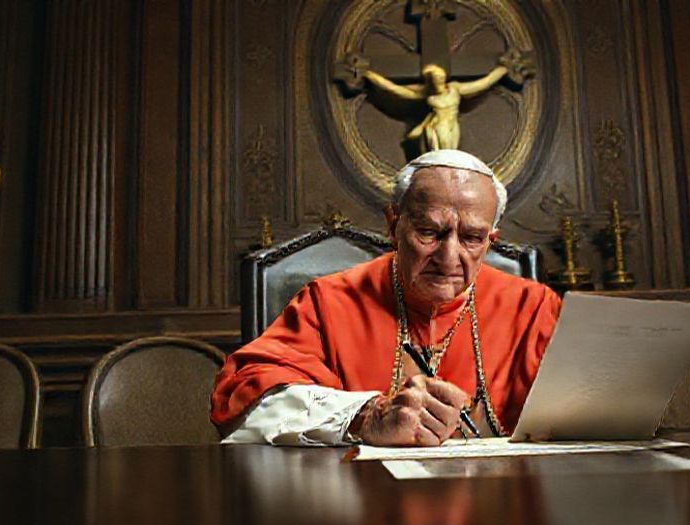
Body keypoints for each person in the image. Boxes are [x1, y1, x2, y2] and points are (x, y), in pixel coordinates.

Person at [211, 149, 561, 446]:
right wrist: (366, 417)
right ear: (393, 225)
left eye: (471, 238)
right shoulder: (328, 302)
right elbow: (245, 399)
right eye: (429, 232)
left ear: (491, 238)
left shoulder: (534, 308)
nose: (449, 256)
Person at [363, 64, 509, 152]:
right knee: (442, 156)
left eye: (440, 79)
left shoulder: (455, 89)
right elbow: (395, 89)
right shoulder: (426, 93)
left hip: (452, 125)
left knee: (451, 156)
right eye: (435, 80)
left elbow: (484, 82)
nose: (438, 82)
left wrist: (502, 71)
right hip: (438, 126)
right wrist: (370, 76)